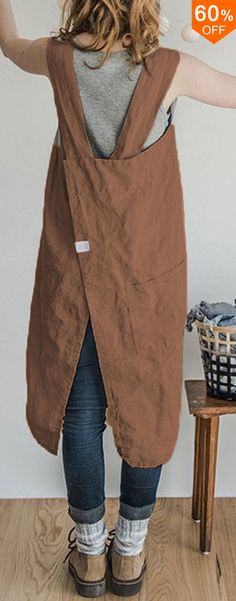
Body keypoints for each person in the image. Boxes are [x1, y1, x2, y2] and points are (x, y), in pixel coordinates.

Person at [1, 0, 236, 597]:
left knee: (80, 411)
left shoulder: (55, 60)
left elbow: (7, 42)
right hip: (146, 275)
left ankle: (88, 554)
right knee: (149, 405)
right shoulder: (171, 67)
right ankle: (128, 553)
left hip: (74, 272)